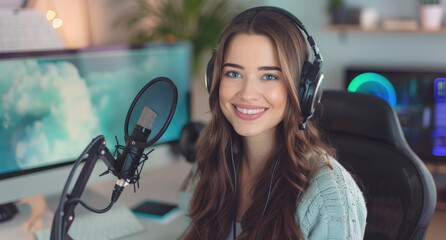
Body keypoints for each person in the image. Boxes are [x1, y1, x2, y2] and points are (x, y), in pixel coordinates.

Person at [180, 6, 367, 240]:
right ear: (215, 80)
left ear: (302, 90)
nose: (247, 93)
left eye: (269, 76)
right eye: (234, 74)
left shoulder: (331, 197)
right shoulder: (213, 163)